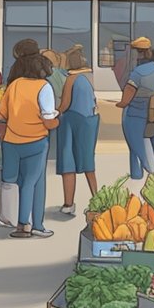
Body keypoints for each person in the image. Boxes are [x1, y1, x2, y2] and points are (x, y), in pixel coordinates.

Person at [0, 52, 58, 239]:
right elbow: (48, 121)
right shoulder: (44, 87)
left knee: (16, 181)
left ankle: (17, 220)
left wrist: (5, 137)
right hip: (35, 141)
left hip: (11, 142)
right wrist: (57, 122)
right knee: (32, 183)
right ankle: (26, 225)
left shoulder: (14, 85)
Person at [115, 37, 154, 181]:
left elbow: (129, 91)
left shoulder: (138, 72)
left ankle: (142, 172)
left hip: (136, 113)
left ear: (139, 53)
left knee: (135, 144)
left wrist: (122, 103)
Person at [56, 46, 98, 217]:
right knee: (88, 162)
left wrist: (55, 112)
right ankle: (97, 198)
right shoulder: (89, 76)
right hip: (91, 120)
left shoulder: (71, 79)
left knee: (68, 163)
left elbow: (65, 104)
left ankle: (68, 203)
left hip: (71, 120)